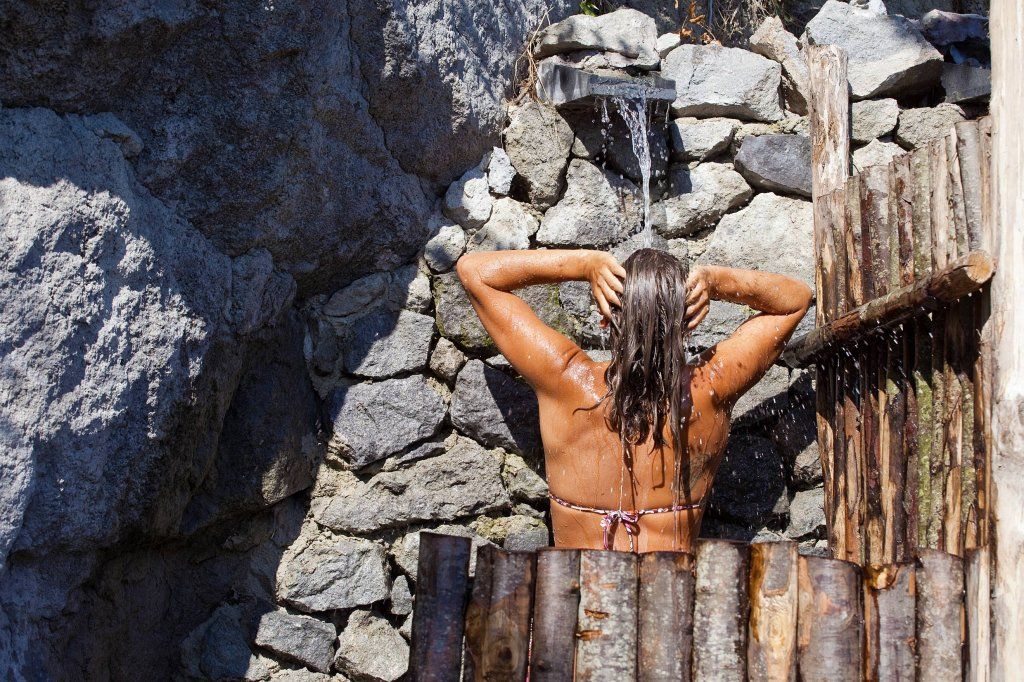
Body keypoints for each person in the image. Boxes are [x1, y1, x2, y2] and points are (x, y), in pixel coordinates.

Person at [456, 248, 812, 553]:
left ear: (605, 318)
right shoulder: (711, 388)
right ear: (687, 325)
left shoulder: (566, 379)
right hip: (669, 600)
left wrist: (585, 265)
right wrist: (715, 282)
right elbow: (795, 300)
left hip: (576, 603)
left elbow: (474, 272)